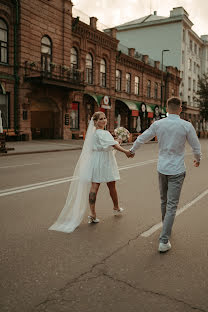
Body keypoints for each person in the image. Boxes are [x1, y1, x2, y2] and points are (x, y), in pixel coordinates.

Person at [128, 97, 201, 253]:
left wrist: (132, 151)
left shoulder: (158, 124)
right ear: (180, 109)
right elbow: (196, 146)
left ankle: (165, 227)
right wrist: (197, 159)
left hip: (162, 168)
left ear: (166, 109)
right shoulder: (186, 125)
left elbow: (142, 138)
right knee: (172, 205)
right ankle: (164, 239)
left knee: (164, 200)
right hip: (177, 170)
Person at [49, 111, 130, 233]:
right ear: (95, 122)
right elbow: (113, 145)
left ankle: (94, 213)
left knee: (96, 185)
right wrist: (126, 151)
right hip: (106, 161)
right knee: (111, 185)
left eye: (105, 118)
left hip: (96, 160)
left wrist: (117, 141)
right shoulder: (104, 133)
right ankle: (115, 207)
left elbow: (107, 144)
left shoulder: (93, 134)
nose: (104, 120)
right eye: (100, 119)